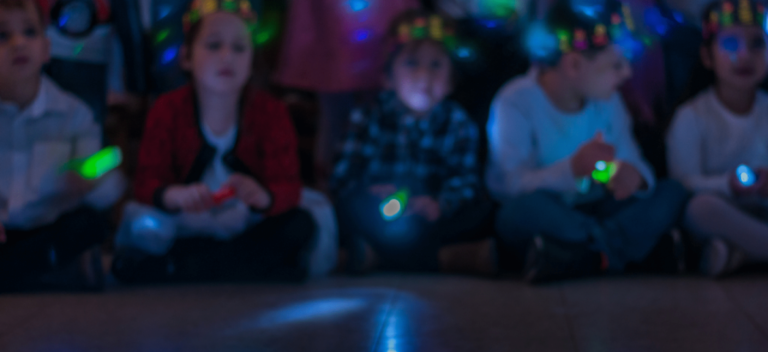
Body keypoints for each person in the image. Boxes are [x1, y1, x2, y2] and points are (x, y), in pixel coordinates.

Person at [112, 0, 317, 283]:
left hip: (245, 222)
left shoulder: (271, 113)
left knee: (300, 224)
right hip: (184, 221)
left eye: (238, 48)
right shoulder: (167, 109)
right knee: (142, 225)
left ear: (251, 60)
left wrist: (262, 196)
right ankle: (236, 267)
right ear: (186, 57)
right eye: (213, 46)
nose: (226, 58)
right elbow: (147, 181)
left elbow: (288, 184)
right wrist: (174, 196)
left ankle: (187, 267)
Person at [486, 0, 688, 283]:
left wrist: (634, 177)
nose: (627, 74)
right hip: (552, 210)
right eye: (616, 65)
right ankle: (619, 250)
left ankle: (580, 255)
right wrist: (573, 169)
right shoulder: (515, 101)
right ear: (574, 64)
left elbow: (633, 160)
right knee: (516, 214)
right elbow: (510, 185)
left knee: (672, 192)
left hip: (597, 206)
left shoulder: (609, 100)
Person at [331, 10, 496, 275]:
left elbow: (466, 180)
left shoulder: (457, 122)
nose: (424, 75)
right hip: (380, 212)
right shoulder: (368, 115)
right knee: (348, 209)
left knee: (483, 212)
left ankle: (376, 257)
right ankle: (443, 259)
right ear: (388, 77)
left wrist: (438, 204)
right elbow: (343, 176)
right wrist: (373, 193)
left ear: (451, 80)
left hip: (429, 213)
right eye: (411, 63)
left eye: (436, 65)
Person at [0, 0, 125, 291]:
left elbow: (106, 176)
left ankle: (27, 271)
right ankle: (43, 271)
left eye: (29, 32)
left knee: (89, 224)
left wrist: (88, 181)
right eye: (2, 36)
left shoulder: (74, 114)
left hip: (49, 227)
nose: (18, 43)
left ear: (46, 49)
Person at [667, 0, 768, 277]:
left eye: (758, 44)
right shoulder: (691, 116)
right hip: (721, 210)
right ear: (707, 56)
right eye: (732, 45)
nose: (745, 55)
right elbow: (683, 183)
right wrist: (729, 184)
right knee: (700, 209)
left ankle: (740, 254)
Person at [273, 0, 419, 186]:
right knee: (335, 108)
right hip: (333, 17)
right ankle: (331, 189)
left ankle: (377, 184)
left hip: (378, 15)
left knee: (383, 103)